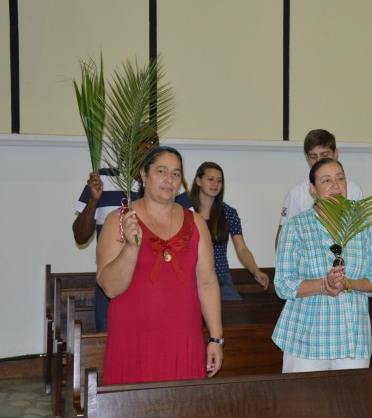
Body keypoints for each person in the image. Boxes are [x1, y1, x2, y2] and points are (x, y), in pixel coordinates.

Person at [96, 146, 223, 384]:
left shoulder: (196, 223)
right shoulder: (120, 221)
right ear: (144, 175)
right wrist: (131, 248)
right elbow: (110, 288)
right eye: (161, 171)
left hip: (184, 340)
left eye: (176, 174)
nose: (169, 179)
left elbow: (207, 282)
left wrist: (216, 338)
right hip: (133, 341)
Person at [272, 158, 372, 373]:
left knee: (350, 406)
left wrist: (348, 284)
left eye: (340, 179)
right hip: (306, 342)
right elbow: (284, 285)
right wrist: (324, 284)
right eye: (326, 180)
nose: (336, 185)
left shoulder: (361, 225)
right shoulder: (296, 227)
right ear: (313, 189)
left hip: (353, 341)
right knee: (305, 406)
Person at [73, 130, 191, 332]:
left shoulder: (169, 186)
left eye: (154, 141)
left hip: (158, 284)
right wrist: (93, 200)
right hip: (113, 282)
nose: (149, 146)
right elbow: (80, 236)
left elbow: (190, 232)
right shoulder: (104, 178)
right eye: (142, 141)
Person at [190, 161, 270, 300]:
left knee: (236, 318)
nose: (215, 184)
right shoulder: (185, 212)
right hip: (190, 279)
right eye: (210, 179)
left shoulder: (228, 213)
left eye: (219, 181)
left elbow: (242, 249)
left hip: (221, 279)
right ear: (198, 181)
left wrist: (256, 271)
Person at [275, 129, 363, 248]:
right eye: (313, 157)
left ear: (336, 153)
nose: (319, 161)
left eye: (324, 155)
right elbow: (282, 242)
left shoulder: (354, 190)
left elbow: (360, 236)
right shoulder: (296, 194)